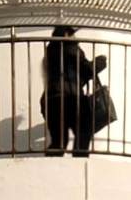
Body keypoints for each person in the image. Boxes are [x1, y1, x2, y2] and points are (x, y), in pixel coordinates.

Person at [41, 27, 103, 155]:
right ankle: (80, 159)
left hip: (51, 100)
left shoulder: (50, 52)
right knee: (84, 130)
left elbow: (69, 73)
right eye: (73, 35)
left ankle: (50, 165)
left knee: (59, 140)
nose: (76, 39)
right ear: (66, 35)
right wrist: (100, 62)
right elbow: (87, 70)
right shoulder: (71, 48)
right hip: (71, 99)